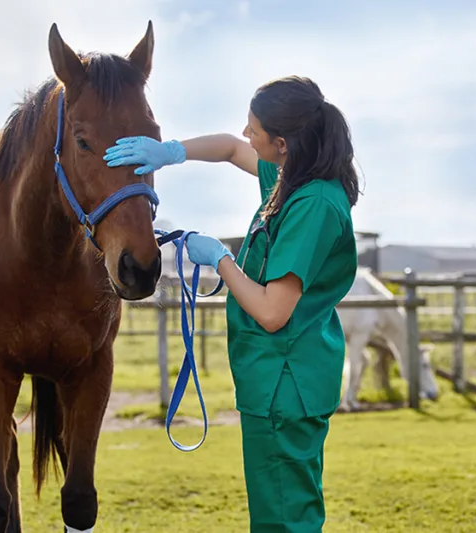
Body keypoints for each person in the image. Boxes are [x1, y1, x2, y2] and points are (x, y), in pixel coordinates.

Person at [103, 75, 360, 531]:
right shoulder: (294, 178)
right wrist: (171, 152)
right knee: (281, 510)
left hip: (285, 380)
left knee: (283, 518)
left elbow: (272, 311)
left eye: (254, 129)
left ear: (281, 143)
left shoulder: (312, 204)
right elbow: (226, 147)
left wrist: (219, 260)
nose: (246, 134)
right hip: (278, 379)